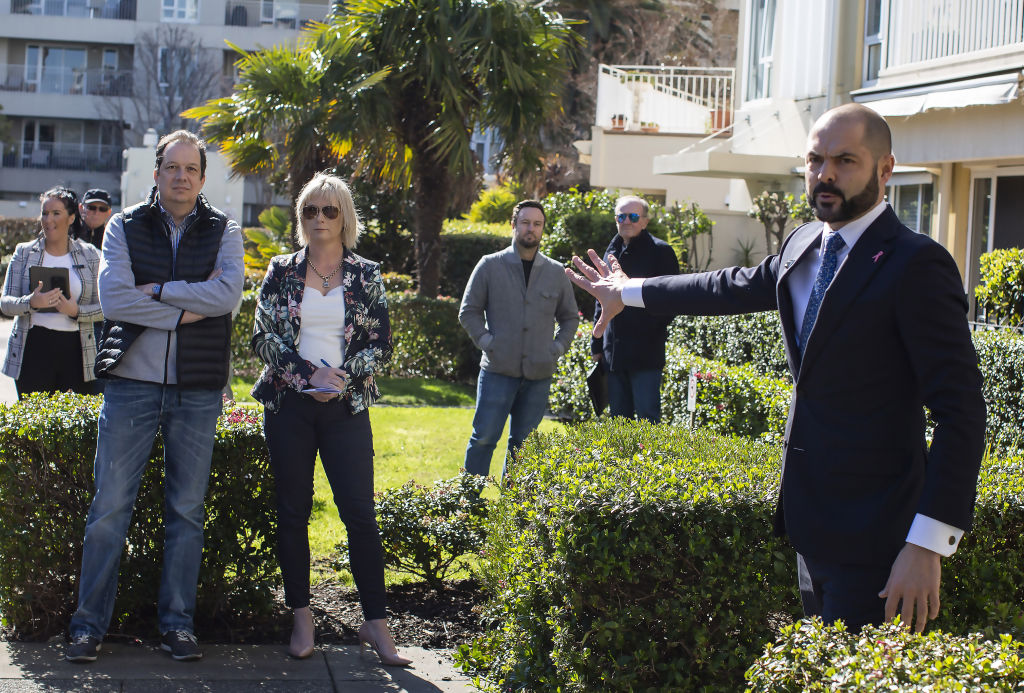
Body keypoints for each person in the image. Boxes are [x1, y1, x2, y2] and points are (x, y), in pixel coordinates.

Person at [566, 103, 986, 634]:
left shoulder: (916, 264)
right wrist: (627, 292)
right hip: (809, 527)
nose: (825, 174)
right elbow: (724, 286)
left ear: (885, 170)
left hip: (880, 537)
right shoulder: (804, 242)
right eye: (815, 160)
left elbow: (962, 413)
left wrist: (928, 543)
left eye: (844, 160)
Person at [65, 130, 244, 663]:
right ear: (157, 171)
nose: (181, 176)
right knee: (109, 509)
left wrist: (160, 292)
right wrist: (194, 304)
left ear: (203, 177)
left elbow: (228, 294)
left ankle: (177, 625)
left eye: (191, 169)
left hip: (197, 390)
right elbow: (116, 298)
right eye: (172, 167)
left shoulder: (225, 231)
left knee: (186, 512)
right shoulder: (122, 225)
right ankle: (87, 625)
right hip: (131, 385)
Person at [250, 172, 409, 666]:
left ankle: (376, 624)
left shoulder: (366, 273)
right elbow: (263, 336)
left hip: (346, 407)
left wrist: (339, 378)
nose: (318, 219)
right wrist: (307, 377)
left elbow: (380, 343)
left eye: (329, 211)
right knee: (293, 513)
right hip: (289, 407)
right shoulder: (280, 271)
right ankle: (302, 617)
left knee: (360, 515)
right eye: (309, 211)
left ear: (345, 217)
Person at [459, 199, 579, 478]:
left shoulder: (555, 272)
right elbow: (469, 312)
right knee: (484, 439)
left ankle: (512, 509)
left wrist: (557, 348)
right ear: (513, 225)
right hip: (498, 371)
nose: (531, 229)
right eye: (525, 222)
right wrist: (488, 343)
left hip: (539, 374)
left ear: (543, 230)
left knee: (524, 446)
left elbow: (570, 317)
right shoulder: (490, 265)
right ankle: (468, 504)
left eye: (537, 224)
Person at [1, 187, 102, 397]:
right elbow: (5, 303)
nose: (48, 220)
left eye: (56, 213)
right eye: (45, 213)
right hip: (33, 347)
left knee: (73, 424)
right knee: (33, 424)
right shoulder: (24, 252)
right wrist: (31, 302)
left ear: (72, 217)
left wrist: (76, 311)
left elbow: (106, 308)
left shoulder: (90, 255)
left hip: (77, 350)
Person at [591, 195, 678, 422]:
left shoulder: (661, 252)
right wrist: (597, 344)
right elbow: (600, 300)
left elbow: (671, 302)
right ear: (615, 219)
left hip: (646, 354)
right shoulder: (611, 252)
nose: (627, 221)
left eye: (633, 216)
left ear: (645, 221)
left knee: (648, 420)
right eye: (622, 216)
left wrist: (644, 328)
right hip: (614, 356)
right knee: (619, 423)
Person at [77, 188, 114, 394]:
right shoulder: (70, 237)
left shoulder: (113, 240)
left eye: (102, 208)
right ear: (82, 208)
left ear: (108, 212)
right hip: (71, 319)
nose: (96, 212)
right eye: (91, 207)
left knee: (97, 385)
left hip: (100, 323)